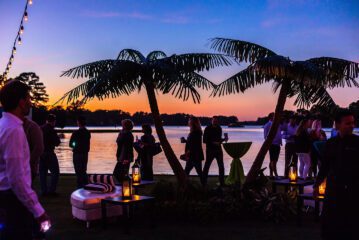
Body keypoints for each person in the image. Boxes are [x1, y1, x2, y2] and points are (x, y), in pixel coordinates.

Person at [0, 80, 50, 240]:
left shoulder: (3, 124)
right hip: (13, 199)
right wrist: (38, 211)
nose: (30, 102)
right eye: (28, 98)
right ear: (21, 102)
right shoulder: (13, 130)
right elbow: (16, 179)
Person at [313, 109, 359, 240]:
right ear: (338, 125)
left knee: (351, 225)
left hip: (353, 191)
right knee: (330, 224)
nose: (352, 126)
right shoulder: (331, 144)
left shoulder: (357, 143)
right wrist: (317, 184)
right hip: (333, 190)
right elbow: (325, 166)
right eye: (348, 123)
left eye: (353, 123)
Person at [202, 116, 228, 187]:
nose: (215, 122)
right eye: (214, 121)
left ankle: (222, 183)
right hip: (210, 150)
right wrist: (213, 143)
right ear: (211, 121)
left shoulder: (219, 128)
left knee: (221, 166)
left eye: (216, 121)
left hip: (219, 150)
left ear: (218, 121)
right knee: (207, 166)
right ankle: (204, 182)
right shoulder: (207, 128)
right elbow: (204, 140)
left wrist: (224, 139)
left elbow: (219, 140)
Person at [40, 114, 61, 196]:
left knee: (42, 173)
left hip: (41, 153)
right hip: (49, 153)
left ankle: (44, 191)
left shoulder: (40, 128)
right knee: (55, 172)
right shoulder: (52, 130)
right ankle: (51, 191)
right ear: (53, 121)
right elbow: (57, 142)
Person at [69, 116, 91, 188]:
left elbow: (71, 144)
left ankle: (80, 185)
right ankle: (85, 184)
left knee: (78, 171)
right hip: (85, 154)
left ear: (78, 123)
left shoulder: (75, 133)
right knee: (83, 170)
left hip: (77, 154)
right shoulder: (87, 133)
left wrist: (74, 145)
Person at [183, 116, 205, 185]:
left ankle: (185, 185)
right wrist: (186, 141)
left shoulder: (196, 133)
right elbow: (192, 143)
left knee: (188, 172)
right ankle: (203, 185)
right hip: (194, 155)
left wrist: (187, 153)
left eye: (189, 120)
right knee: (195, 172)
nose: (188, 122)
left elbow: (194, 145)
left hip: (194, 156)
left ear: (192, 122)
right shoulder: (194, 132)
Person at [23, 116, 44, 181]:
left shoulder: (32, 127)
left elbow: (39, 148)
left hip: (28, 169)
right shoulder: (32, 126)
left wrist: (27, 164)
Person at [263, 113, 283, 178]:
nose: (275, 117)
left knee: (275, 160)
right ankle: (276, 174)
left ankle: (271, 174)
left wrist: (280, 142)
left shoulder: (278, 124)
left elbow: (279, 133)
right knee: (273, 160)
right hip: (272, 144)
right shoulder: (267, 125)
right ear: (270, 117)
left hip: (277, 144)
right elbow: (265, 136)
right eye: (274, 116)